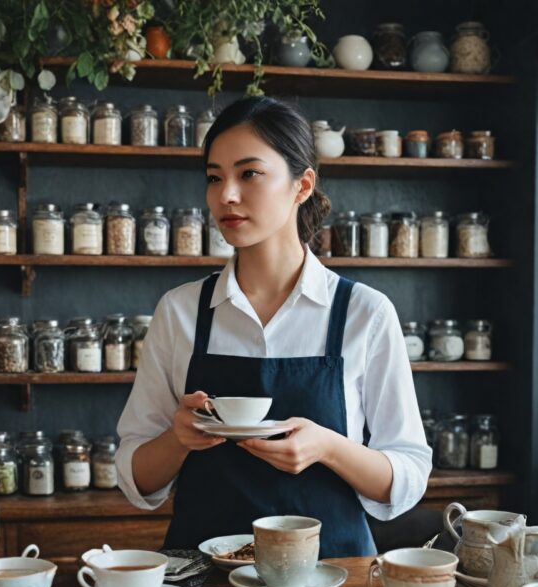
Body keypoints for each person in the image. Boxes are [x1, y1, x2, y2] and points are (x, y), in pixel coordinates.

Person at [115, 96, 431, 558]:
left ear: (302, 185)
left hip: (330, 577)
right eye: (214, 177)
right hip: (205, 579)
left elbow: (407, 476)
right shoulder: (180, 311)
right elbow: (137, 478)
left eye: (249, 174)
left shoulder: (364, 313)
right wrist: (177, 439)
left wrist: (328, 448)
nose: (226, 195)